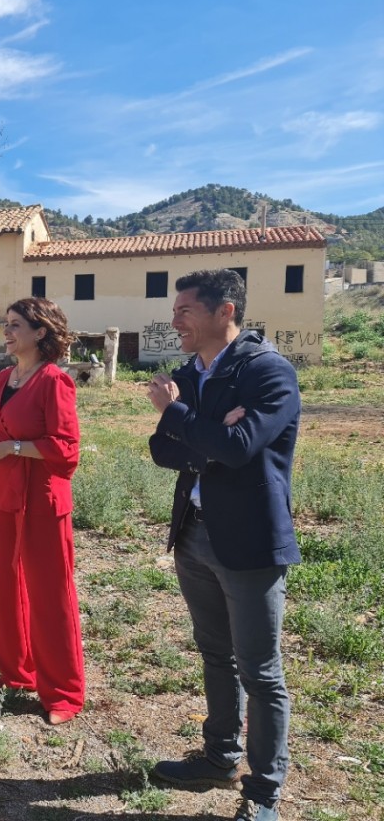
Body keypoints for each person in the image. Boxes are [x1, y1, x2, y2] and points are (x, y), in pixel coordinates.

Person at [147, 269, 300, 821]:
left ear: (224, 311)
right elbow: (162, 451)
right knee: (215, 655)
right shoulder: (190, 373)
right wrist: (206, 430)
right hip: (194, 533)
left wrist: (183, 417)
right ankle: (219, 756)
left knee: (260, 671)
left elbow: (239, 448)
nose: (175, 320)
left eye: (185, 309)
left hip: (250, 543)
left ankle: (263, 792)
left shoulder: (268, 372)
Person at [0, 297, 83, 725]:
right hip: (4, 494)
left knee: (51, 594)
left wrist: (12, 448)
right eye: (7, 323)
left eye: (16, 325)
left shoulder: (54, 381)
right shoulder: (2, 379)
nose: (8, 331)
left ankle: (64, 694)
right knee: (8, 586)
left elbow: (66, 450)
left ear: (40, 333)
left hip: (42, 498)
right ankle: (18, 674)